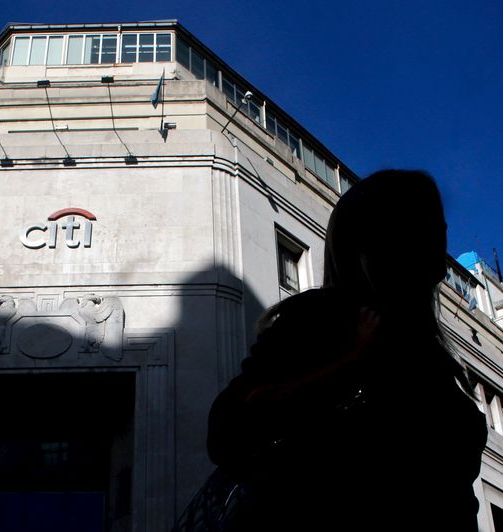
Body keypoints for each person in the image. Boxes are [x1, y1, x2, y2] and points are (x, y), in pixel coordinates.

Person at [191, 170, 488, 531]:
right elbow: (229, 432)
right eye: (428, 230)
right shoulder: (325, 320)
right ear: (385, 237)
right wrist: (348, 366)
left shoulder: (428, 354)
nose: (441, 252)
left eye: (440, 231)